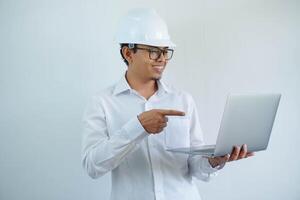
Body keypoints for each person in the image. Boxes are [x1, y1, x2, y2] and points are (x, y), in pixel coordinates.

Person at [81, 8, 254, 200]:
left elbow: (196, 167)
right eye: (154, 52)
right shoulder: (102, 102)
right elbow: (92, 166)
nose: (162, 59)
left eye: (165, 51)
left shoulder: (183, 100)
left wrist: (215, 160)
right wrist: (138, 127)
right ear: (128, 53)